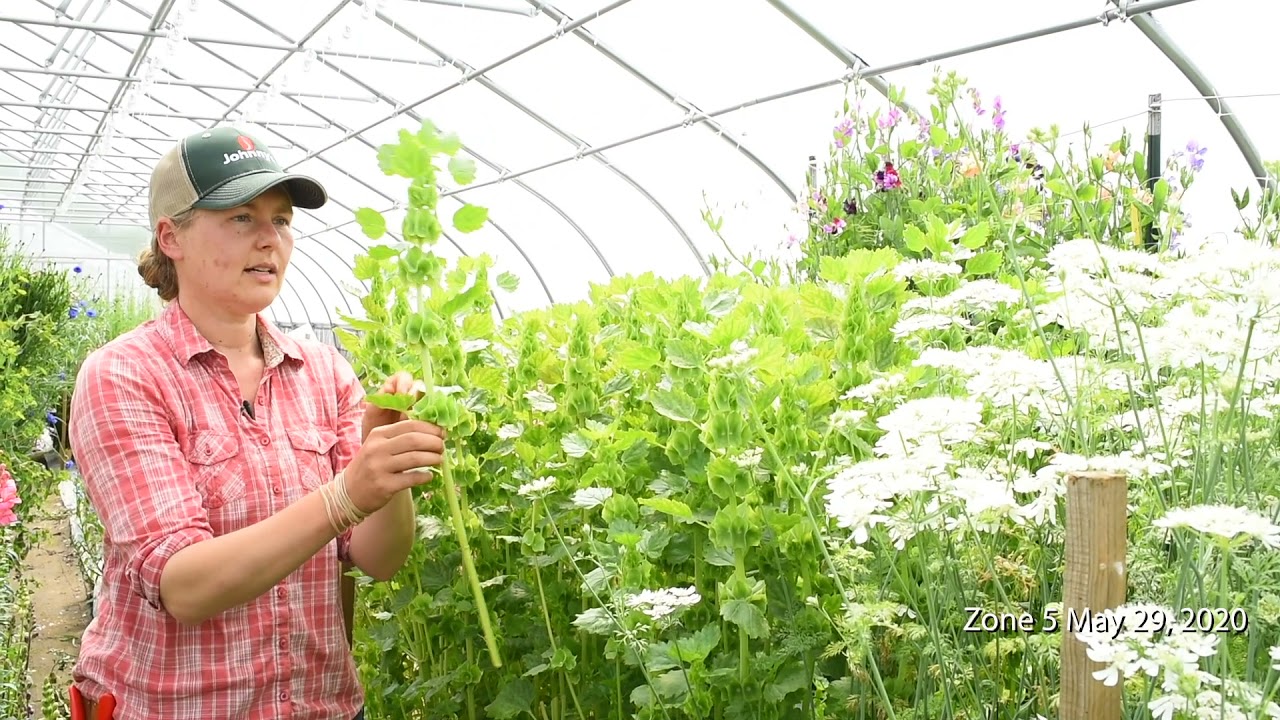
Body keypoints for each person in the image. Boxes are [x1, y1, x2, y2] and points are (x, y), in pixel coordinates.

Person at [67, 126, 444, 719]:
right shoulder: (124, 375)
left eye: (283, 219)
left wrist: (385, 466)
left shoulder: (321, 371)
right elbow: (184, 586)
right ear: (172, 237)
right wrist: (347, 494)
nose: (270, 239)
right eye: (241, 218)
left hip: (322, 707)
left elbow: (377, 559)